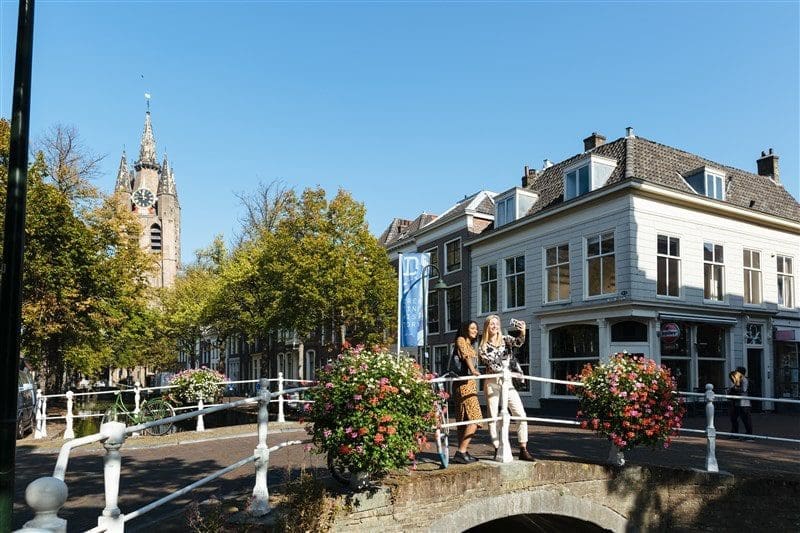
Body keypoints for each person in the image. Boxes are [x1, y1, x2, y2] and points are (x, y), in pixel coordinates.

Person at [478, 314, 535, 461]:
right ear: (487, 327)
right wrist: (508, 368)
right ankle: (498, 447)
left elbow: (518, 342)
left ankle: (523, 448)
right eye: (491, 324)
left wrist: (523, 331)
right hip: (492, 382)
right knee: (493, 416)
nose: (495, 326)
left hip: (507, 382)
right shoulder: (483, 347)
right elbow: (493, 365)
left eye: (496, 323)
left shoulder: (506, 339)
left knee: (520, 414)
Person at [451, 320, 482, 464]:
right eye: (472, 328)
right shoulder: (461, 340)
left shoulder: (471, 343)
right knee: (475, 418)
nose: (475, 330)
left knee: (465, 420)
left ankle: (463, 452)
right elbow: (466, 356)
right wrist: (473, 370)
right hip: (464, 385)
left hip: (468, 385)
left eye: (476, 328)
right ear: (465, 329)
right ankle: (461, 451)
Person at [729, 366, 754, 437]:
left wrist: (733, 390)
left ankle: (749, 435)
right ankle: (735, 433)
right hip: (737, 402)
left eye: (736, 371)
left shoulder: (744, 380)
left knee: (745, 419)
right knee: (734, 418)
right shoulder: (738, 379)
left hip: (744, 403)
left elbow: (743, 390)